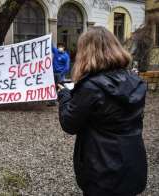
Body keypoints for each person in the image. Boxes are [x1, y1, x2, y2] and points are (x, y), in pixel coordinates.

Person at [57, 26, 147, 196]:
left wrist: (64, 95)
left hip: (102, 170)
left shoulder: (91, 87)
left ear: (86, 52)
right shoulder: (136, 81)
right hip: (133, 164)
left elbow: (69, 123)